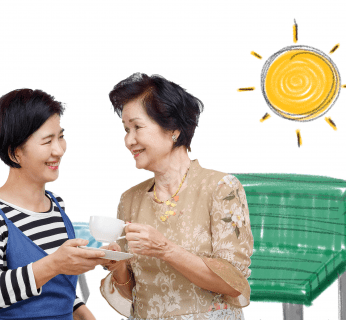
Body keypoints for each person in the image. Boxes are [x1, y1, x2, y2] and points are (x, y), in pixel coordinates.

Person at [99, 73, 254, 320]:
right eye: (126, 129)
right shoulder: (130, 199)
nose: (129, 140)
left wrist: (165, 249)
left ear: (173, 128)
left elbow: (233, 285)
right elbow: (133, 294)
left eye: (137, 127)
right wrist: (118, 268)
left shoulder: (221, 188)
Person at [0, 89, 106, 320]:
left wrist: (86, 315)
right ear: (15, 152)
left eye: (60, 136)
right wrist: (54, 263)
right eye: (47, 141)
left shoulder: (56, 205)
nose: (59, 150)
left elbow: (58, 288)